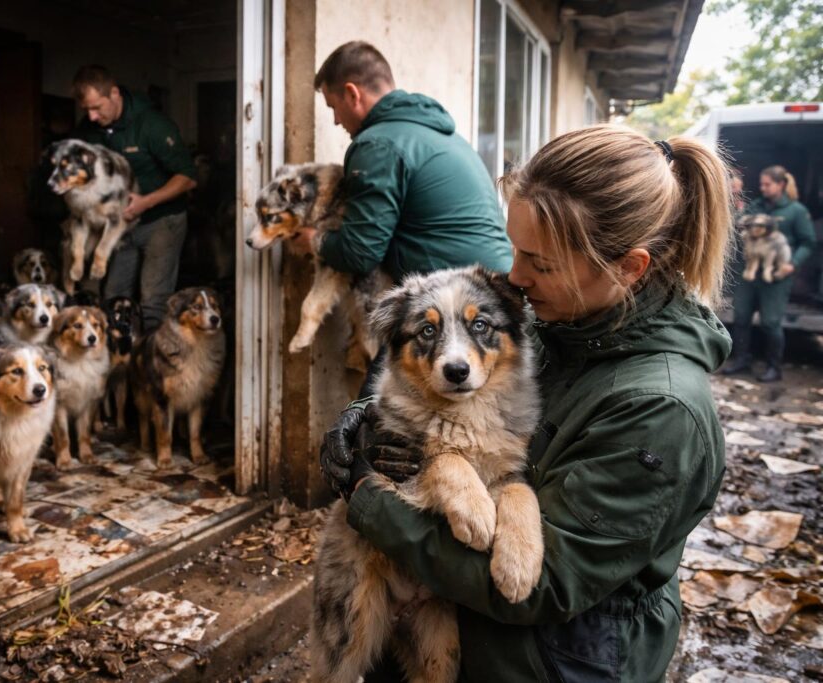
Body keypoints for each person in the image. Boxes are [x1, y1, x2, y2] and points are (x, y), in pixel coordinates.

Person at [319, 125, 734, 682]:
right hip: (461, 627)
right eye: (515, 249)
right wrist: (364, 417)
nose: (514, 277)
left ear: (629, 268)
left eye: (541, 263)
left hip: (553, 662)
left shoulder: (660, 411)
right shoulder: (557, 322)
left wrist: (369, 500)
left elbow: (541, 585)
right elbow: (439, 380)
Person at [291, 41, 513, 393]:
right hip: (497, 300)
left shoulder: (377, 144)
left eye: (333, 107)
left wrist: (314, 240)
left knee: (374, 412)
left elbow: (359, 250)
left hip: (455, 302)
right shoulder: (442, 134)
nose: (335, 120)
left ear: (352, 94)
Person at [71, 65, 198, 331]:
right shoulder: (89, 129)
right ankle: (120, 363)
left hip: (161, 221)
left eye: (97, 108)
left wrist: (146, 201)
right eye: (86, 110)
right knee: (113, 296)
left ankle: (152, 365)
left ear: (114, 93)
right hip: (120, 226)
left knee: (152, 299)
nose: (92, 117)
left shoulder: (152, 124)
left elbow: (187, 177)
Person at [722, 165, 815, 382]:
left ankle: (774, 367)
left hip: (776, 276)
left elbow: (808, 242)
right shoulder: (757, 206)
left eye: (767, 184)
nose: (763, 188)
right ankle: (742, 359)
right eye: (762, 184)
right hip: (750, 272)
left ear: (781, 185)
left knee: (770, 322)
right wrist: (736, 203)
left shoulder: (796, 211)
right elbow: (738, 223)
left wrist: (793, 263)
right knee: (741, 317)